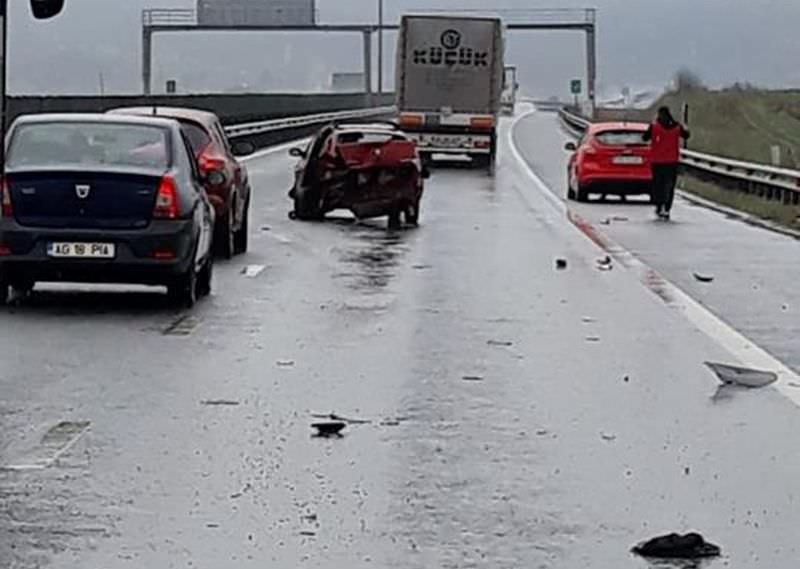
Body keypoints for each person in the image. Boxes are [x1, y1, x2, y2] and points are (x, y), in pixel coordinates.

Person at [643, 106, 690, 220]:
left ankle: (659, 206)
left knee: (658, 185)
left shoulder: (654, 126)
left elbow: (645, 138)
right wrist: (685, 127)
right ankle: (667, 208)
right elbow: (686, 135)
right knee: (669, 186)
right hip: (672, 162)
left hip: (657, 162)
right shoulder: (677, 126)